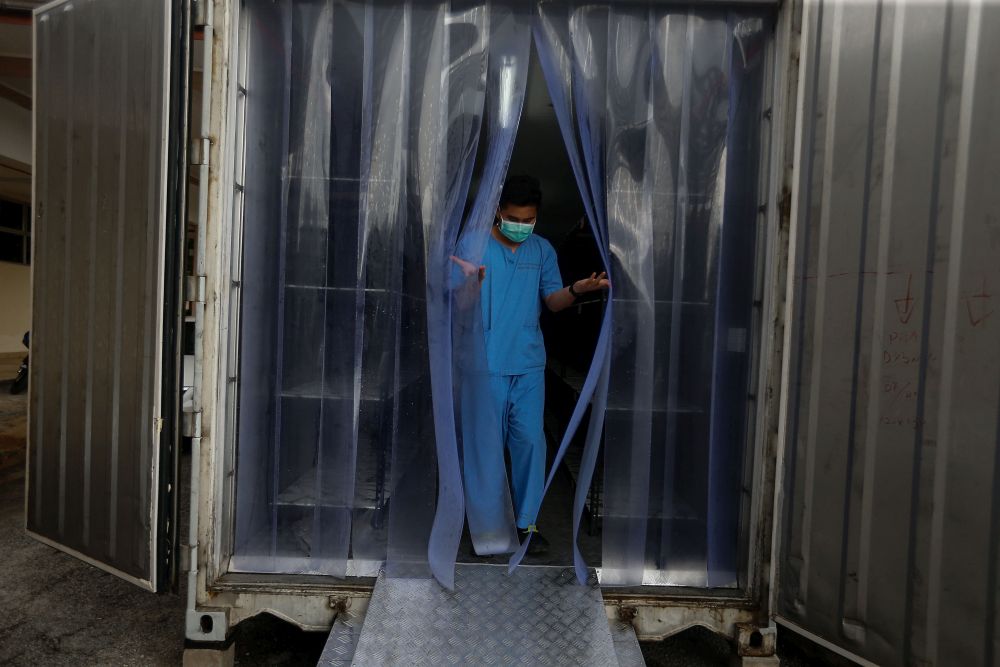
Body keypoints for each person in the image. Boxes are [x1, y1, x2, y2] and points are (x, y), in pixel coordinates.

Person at [452, 174, 609, 555]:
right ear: (498, 212)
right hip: (485, 365)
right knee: (485, 447)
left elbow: (552, 302)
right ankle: (488, 531)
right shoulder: (472, 245)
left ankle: (526, 525)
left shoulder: (541, 251)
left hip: (527, 365)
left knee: (529, 442)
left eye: (528, 220)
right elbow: (457, 307)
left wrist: (576, 290)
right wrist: (471, 286)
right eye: (514, 218)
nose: (521, 226)